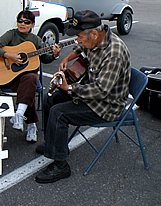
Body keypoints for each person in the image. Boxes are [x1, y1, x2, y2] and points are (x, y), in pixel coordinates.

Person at [34, 10, 131, 184]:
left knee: (59, 113)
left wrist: (70, 87)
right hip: (91, 94)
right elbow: (81, 47)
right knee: (50, 100)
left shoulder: (114, 53)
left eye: (79, 36)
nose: (77, 40)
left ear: (94, 34)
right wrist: (68, 58)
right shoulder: (95, 39)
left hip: (105, 105)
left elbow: (101, 90)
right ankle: (53, 144)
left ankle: (61, 166)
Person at [0, 10, 60, 143]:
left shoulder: (35, 40)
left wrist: (55, 55)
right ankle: (31, 124)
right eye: (20, 21)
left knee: (31, 79)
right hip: (8, 78)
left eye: (26, 22)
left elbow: (45, 59)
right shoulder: (11, 34)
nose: (22, 24)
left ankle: (19, 115)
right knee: (30, 85)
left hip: (26, 79)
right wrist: (9, 56)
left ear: (32, 25)